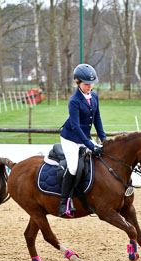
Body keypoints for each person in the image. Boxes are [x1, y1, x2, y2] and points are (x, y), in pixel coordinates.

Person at [58, 64, 106, 217]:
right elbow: (75, 127)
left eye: (91, 84)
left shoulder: (95, 96)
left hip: (85, 136)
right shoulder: (74, 101)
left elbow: (97, 119)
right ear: (77, 82)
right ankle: (63, 202)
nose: (89, 87)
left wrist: (104, 139)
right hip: (71, 138)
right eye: (86, 84)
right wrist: (90, 144)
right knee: (73, 168)